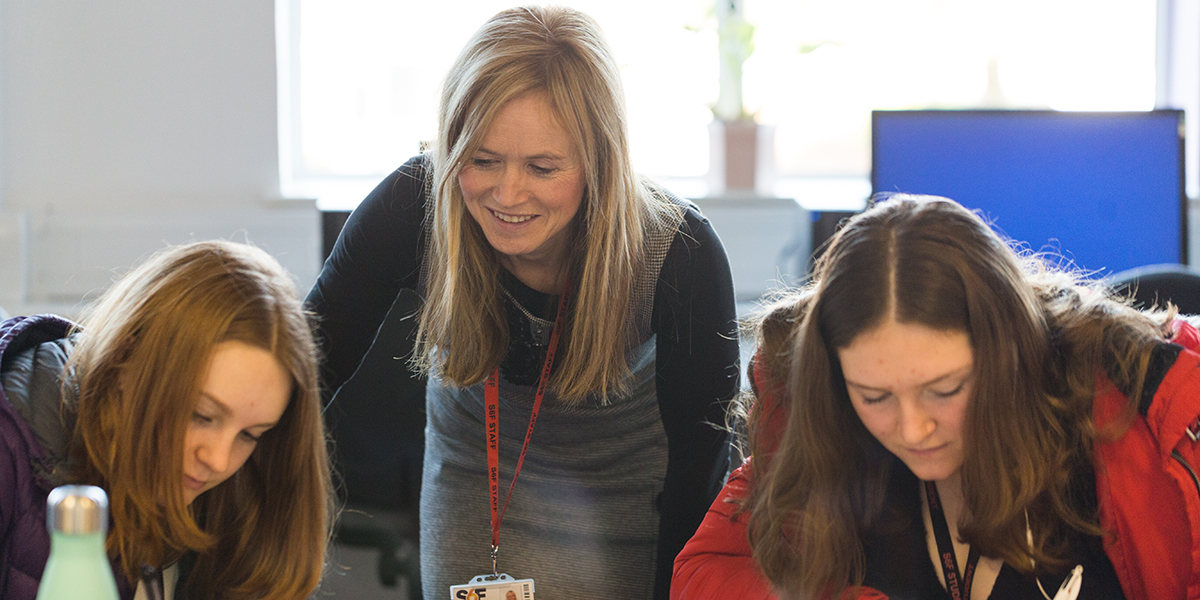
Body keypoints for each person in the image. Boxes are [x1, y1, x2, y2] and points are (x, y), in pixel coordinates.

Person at [307, 5, 739, 600]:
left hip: (631, 493)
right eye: (481, 161)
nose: (507, 194)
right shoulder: (415, 203)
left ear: (599, 162)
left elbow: (703, 462)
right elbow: (304, 370)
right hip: (475, 483)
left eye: (542, 167)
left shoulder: (677, 252)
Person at [672, 195, 1200, 600]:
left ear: (1008, 351)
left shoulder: (1136, 403)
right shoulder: (809, 399)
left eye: (945, 389)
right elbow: (699, 575)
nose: (913, 428)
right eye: (874, 396)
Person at [0, 240, 335, 600]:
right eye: (201, 416)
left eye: (250, 435)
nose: (219, 460)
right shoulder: (10, 452)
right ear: (124, 360)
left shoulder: (230, 490)